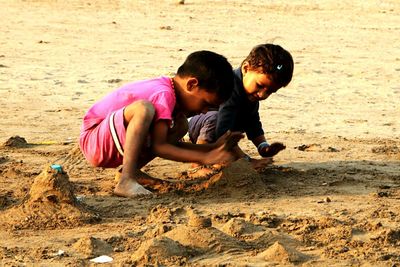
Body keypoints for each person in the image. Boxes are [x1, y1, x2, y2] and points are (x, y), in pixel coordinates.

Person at [79, 50, 244, 197]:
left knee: (181, 126)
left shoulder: (171, 95)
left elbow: (163, 144)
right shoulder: (164, 94)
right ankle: (126, 180)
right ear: (192, 84)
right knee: (143, 109)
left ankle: (129, 172)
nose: (204, 112)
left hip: (108, 139)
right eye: (205, 104)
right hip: (95, 139)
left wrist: (211, 147)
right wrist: (206, 157)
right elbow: (160, 147)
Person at [187, 44, 294, 178]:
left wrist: (263, 146)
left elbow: (253, 124)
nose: (262, 95)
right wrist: (246, 160)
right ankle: (196, 165)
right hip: (203, 126)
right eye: (260, 86)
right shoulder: (230, 88)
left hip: (223, 136)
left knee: (232, 155)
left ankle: (218, 161)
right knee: (214, 119)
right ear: (245, 68)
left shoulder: (251, 96)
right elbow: (223, 132)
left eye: (270, 92)